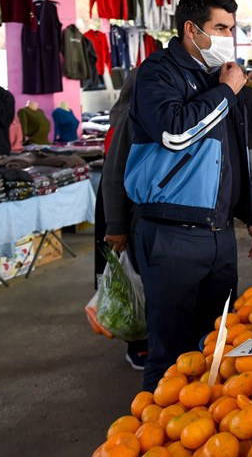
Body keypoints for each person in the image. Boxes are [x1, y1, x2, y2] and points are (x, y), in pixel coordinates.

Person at [124, 0, 252, 391]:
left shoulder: (218, 77)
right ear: (192, 29)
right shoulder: (158, 74)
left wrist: (250, 212)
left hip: (219, 235)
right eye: (220, 28)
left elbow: (233, 153)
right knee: (170, 354)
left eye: (231, 29)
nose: (228, 38)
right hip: (171, 236)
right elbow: (174, 131)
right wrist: (225, 92)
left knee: (217, 344)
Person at [95, 70, 147, 370]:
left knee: (137, 282)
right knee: (132, 282)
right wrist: (118, 225)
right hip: (121, 210)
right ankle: (137, 343)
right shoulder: (128, 119)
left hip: (125, 210)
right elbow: (114, 177)